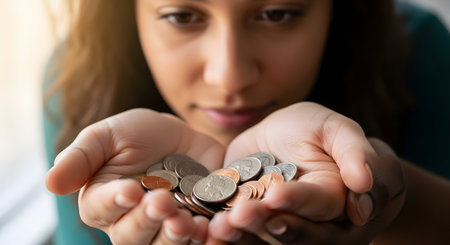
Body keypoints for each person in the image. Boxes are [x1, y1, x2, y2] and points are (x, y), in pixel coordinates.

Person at [43, 0, 450, 244]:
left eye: (276, 13)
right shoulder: (81, 82)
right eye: (183, 16)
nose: (230, 75)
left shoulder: (418, 52)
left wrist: (395, 199)